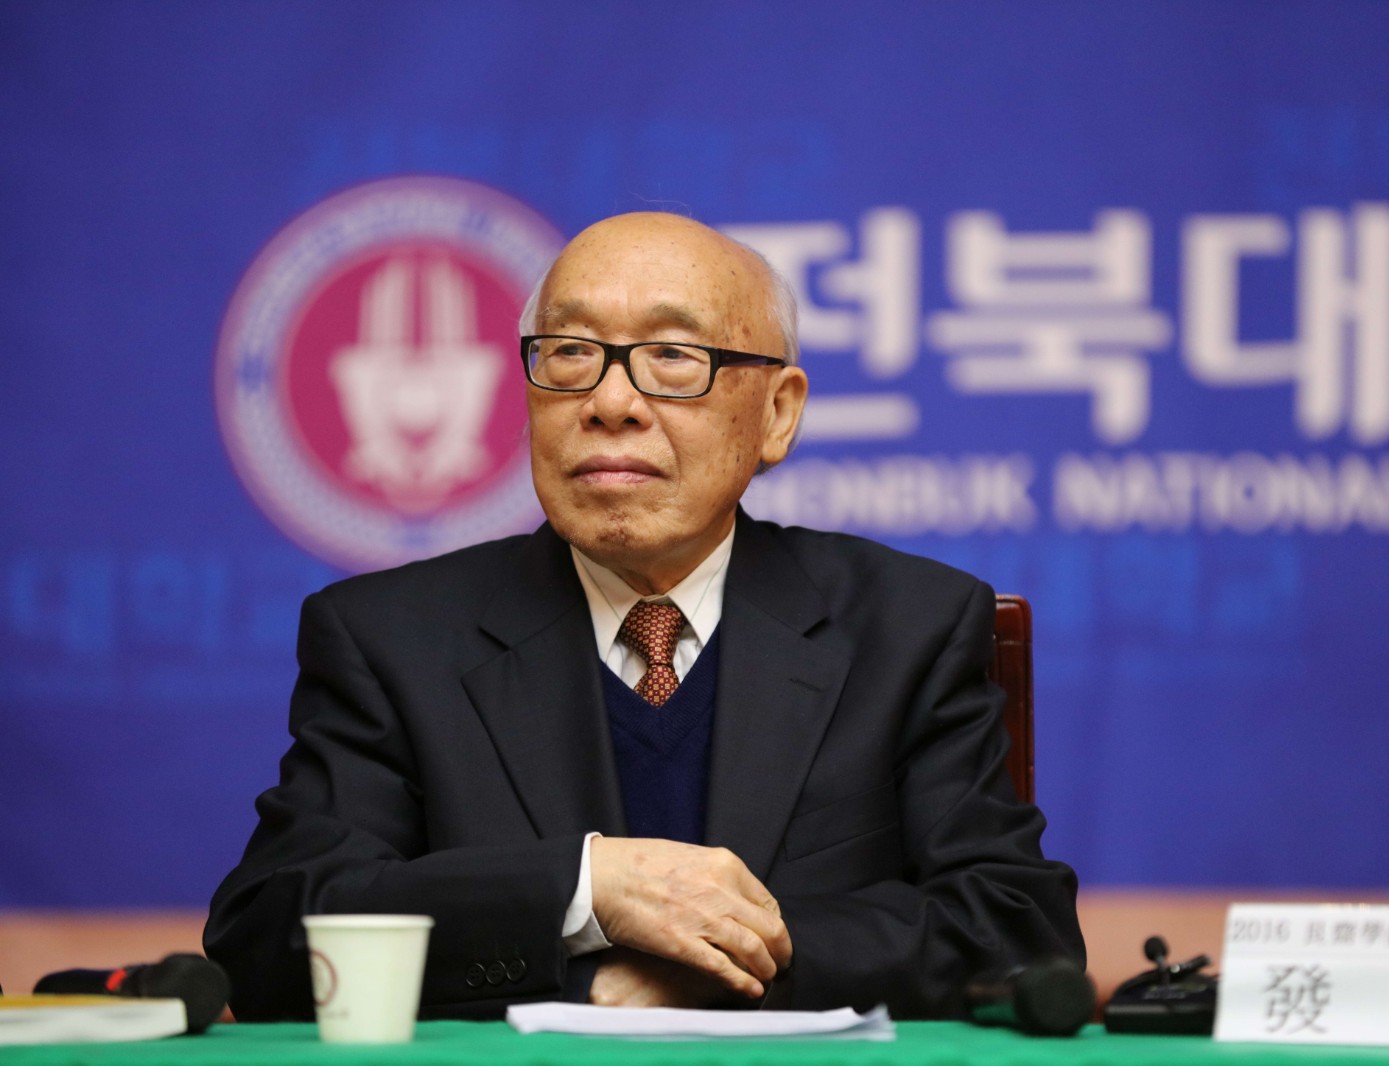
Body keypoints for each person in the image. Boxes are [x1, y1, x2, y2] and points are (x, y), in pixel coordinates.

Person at [205, 212, 1084, 1020]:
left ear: (777, 414)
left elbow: (1013, 928)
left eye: (672, 357)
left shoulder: (909, 627)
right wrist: (585, 889)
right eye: (569, 353)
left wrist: (719, 971)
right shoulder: (392, 639)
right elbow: (274, 933)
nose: (611, 403)